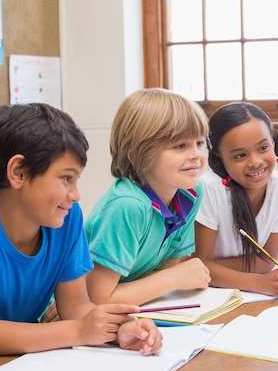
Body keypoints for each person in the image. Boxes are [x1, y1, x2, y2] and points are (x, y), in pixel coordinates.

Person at [0, 103, 163, 356]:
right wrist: (78, 331)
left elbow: (76, 308)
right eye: (66, 179)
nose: (76, 195)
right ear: (18, 172)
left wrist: (123, 330)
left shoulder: (65, 219)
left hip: (14, 360)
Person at [84, 88, 211, 306]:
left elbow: (165, 270)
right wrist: (174, 278)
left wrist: (170, 277)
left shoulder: (190, 192)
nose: (196, 155)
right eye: (180, 146)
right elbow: (97, 298)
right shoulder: (127, 206)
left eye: (199, 143)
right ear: (137, 155)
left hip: (133, 308)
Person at [194, 102, 278, 296]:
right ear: (219, 158)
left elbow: (264, 262)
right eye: (240, 155)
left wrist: (212, 267)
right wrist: (259, 283)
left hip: (242, 294)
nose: (255, 162)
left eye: (263, 148)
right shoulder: (208, 188)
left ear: (273, 143)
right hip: (206, 294)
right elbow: (200, 266)